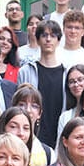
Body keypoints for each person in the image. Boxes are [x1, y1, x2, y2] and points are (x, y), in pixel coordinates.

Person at [17, 20, 66, 148]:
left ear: (59, 41)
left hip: (59, 136)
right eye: (44, 35)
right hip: (31, 136)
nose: (48, 39)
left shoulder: (67, 73)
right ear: (37, 40)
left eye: (53, 36)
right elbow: (18, 105)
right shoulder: (26, 71)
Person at [56, 64, 84, 137]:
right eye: (71, 82)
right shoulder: (66, 116)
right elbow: (59, 145)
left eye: (80, 80)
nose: (76, 84)